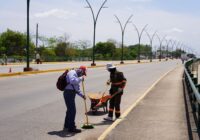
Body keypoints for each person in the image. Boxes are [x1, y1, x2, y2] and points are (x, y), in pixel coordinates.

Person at [63, 66, 87, 133]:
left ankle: (67, 125)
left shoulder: (77, 75)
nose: (82, 75)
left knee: (70, 110)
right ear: (81, 70)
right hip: (68, 93)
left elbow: (76, 89)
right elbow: (72, 81)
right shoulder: (72, 72)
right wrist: (80, 78)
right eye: (83, 73)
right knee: (72, 110)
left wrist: (82, 95)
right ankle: (71, 128)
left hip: (71, 93)